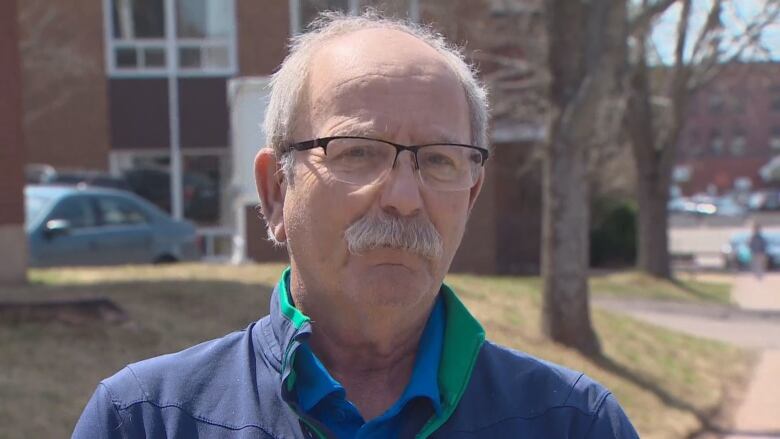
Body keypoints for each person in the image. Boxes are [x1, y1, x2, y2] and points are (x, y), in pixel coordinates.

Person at [73, 12, 639, 439]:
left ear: (469, 196)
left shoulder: (572, 423)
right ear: (275, 191)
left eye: (439, 159)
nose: (403, 197)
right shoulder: (146, 420)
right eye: (358, 153)